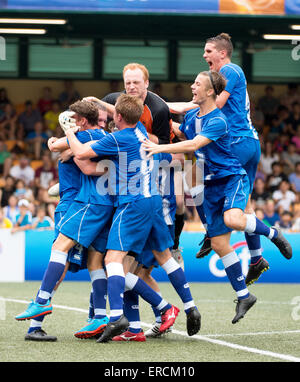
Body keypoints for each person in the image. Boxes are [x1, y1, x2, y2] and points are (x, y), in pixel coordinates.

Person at [143, 70, 292, 321]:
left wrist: (158, 146)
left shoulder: (218, 120)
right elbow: (180, 129)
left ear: (210, 91)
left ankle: (273, 233)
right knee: (220, 243)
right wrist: (151, 122)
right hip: (210, 187)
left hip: (231, 179)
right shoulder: (193, 116)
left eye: (197, 84)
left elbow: (192, 144)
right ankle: (244, 296)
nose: (192, 87)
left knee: (235, 219)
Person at [65, 93, 200, 343]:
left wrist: (69, 132)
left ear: (117, 117)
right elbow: (177, 157)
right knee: (164, 257)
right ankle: (188, 306)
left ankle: (117, 316)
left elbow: (82, 154)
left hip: (132, 204)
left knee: (113, 260)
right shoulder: (142, 133)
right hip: (154, 203)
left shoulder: (119, 138)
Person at [15, 100, 112, 341]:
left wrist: (61, 143)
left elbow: (57, 147)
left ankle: (37, 317)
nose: (102, 124)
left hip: (76, 205)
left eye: (104, 120)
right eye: (99, 119)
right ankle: (99, 316)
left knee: (62, 258)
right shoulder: (104, 138)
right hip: (94, 204)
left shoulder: (82, 137)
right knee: (95, 262)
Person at [84, 62, 185, 268]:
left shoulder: (158, 108)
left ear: (146, 83)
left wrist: (136, 136)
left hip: (155, 158)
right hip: (125, 159)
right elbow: (94, 121)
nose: (131, 86)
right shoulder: (113, 100)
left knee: (181, 202)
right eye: (127, 82)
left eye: (136, 82)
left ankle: (174, 244)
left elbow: (166, 145)